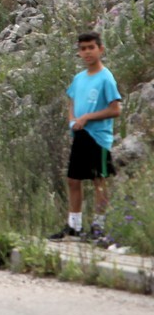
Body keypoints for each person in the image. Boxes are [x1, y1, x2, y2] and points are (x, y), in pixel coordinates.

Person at [46, 31, 122, 243]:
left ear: (100, 49)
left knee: (99, 180)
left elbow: (115, 109)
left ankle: (99, 227)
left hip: (98, 137)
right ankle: (74, 226)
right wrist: (73, 119)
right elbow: (71, 102)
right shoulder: (78, 79)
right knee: (73, 179)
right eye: (83, 49)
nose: (87, 52)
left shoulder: (106, 78)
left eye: (91, 47)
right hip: (80, 135)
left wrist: (88, 117)